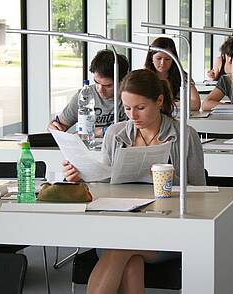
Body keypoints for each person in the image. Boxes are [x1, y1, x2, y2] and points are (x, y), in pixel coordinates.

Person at [63, 69, 206, 294]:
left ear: (159, 101)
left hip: (169, 231)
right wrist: (80, 177)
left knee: (122, 249)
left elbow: (201, 193)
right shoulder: (115, 134)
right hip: (120, 224)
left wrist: (169, 180)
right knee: (130, 259)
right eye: (127, 108)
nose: (133, 116)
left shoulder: (185, 135)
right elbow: (103, 183)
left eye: (140, 108)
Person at [49, 49, 129, 137]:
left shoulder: (131, 97)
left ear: (122, 81)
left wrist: (99, 131)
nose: (100, 89)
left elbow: (139, 130)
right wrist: (54, 127)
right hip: (89, 148)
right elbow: (61, 124)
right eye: (97, 82)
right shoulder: (85, 95)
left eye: (107, 85)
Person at [144, 37, 201, 111]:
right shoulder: (143, 77)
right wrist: (176, 104)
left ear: (173, 60)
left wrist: (165, 104)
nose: (162, 63)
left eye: (167, 59)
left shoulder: (182, 76)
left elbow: (196, 104)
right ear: (151, 58)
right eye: (158, 58)